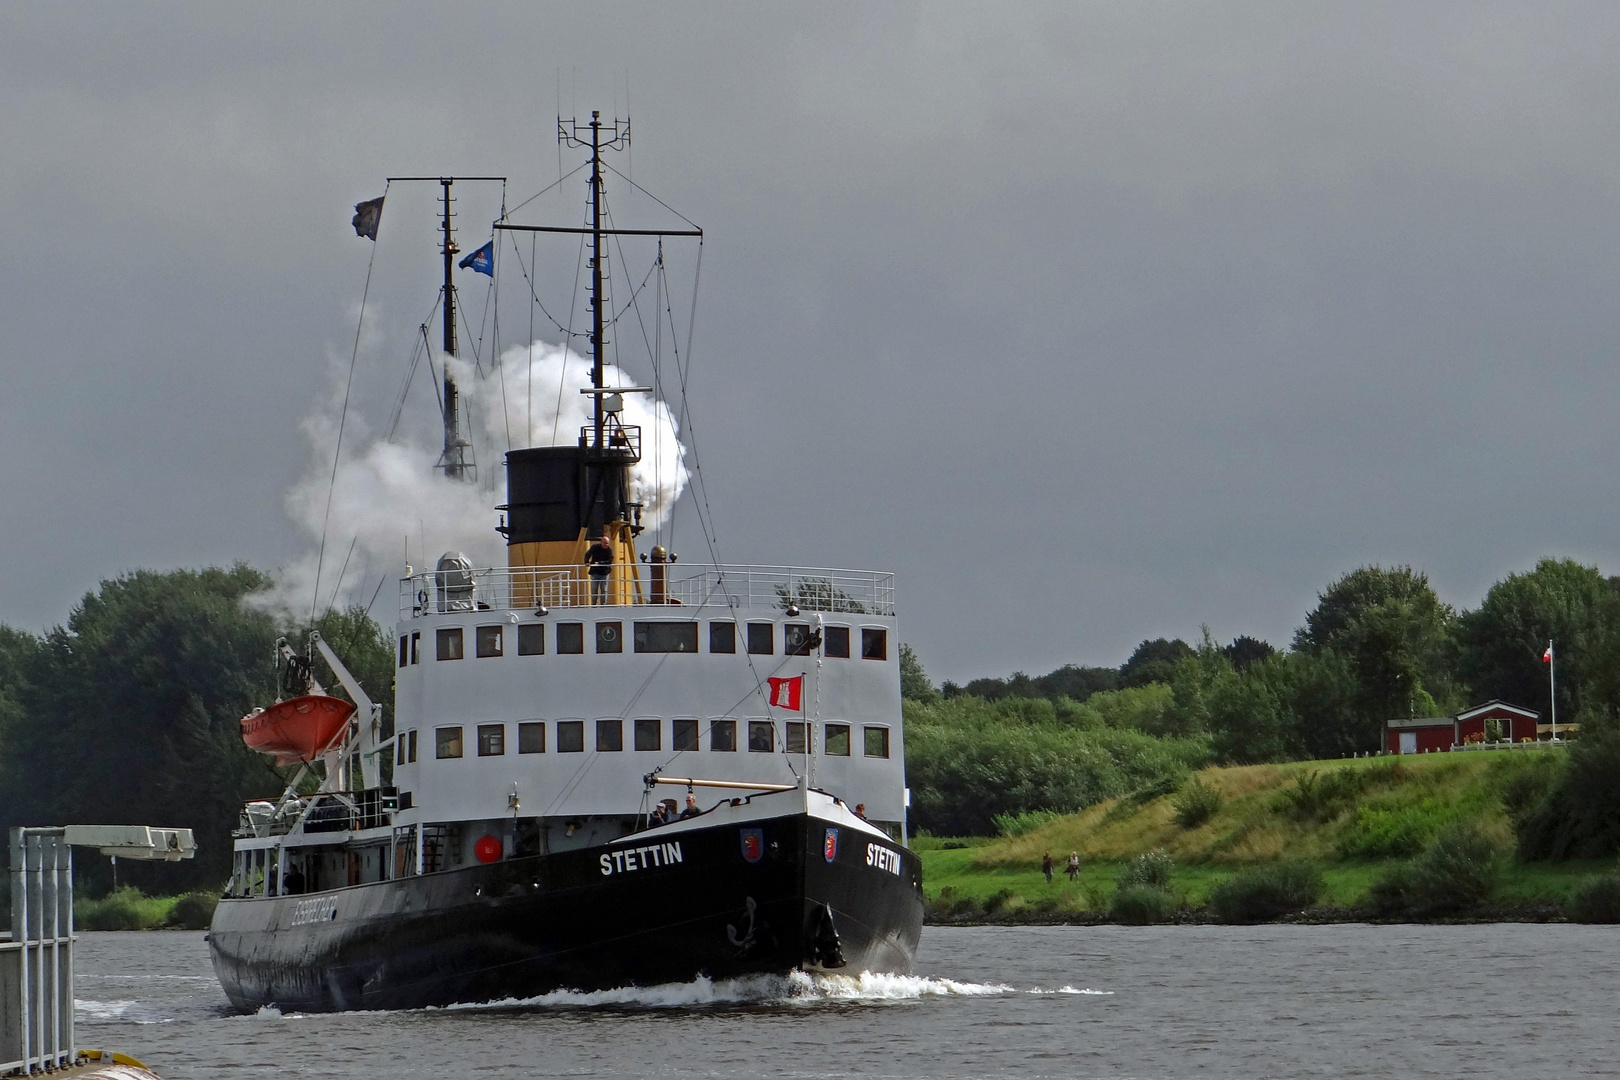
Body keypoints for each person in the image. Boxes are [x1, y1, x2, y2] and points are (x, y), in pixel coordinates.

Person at [585, 535, 614, 605]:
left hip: (604, 572)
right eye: (604, 543)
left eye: (607, 543)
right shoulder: (595, 547)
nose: (606, 544)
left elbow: (610, 560)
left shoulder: (609, 550)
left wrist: (600, 562)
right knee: (594, 589)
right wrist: (586, 561)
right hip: (595, 572)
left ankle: (603, 605)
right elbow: (587, 554)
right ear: (601, 542)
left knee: (604, 590)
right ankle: (594, 604)